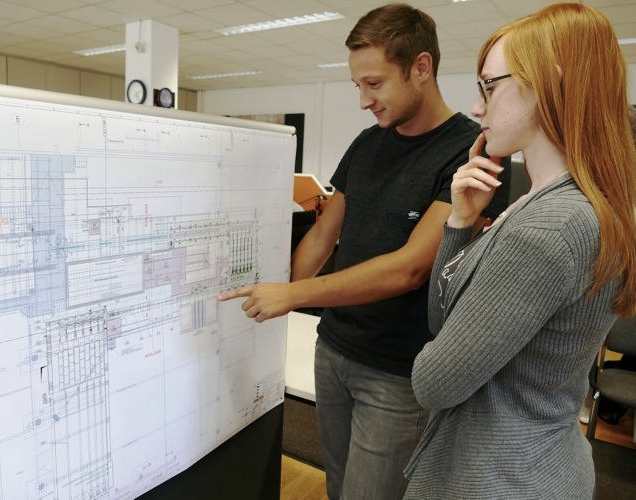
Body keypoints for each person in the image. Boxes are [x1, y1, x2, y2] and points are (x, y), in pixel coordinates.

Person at [220, 4, 509, 499]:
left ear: (421, 67)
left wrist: (292, 296)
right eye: (357, 85)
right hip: (333, 350)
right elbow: (324, 234)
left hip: (398, 372)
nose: (363, 101)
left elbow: (410, 268)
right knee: (338, 487)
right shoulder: (366, 143)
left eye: (374, 84)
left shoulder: (470, 152)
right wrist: (273, 296)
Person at [403, 3, 636, 499]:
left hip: (502, 477)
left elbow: (433, 383)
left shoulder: (549, 227)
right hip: (527, 463)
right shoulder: (554, 203)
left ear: (550, 84)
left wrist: (436, 355)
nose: (477, 107)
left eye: (490, 87)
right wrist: (461, 222)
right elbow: (443, 320)